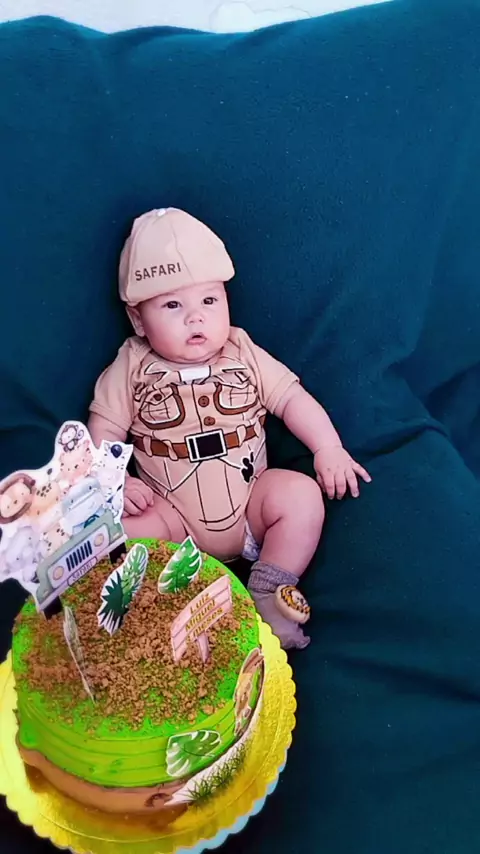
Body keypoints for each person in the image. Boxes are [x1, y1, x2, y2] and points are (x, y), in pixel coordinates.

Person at [88, 208, 371, 649]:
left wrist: (328, 448)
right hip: (173, 519)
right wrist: (114, 483)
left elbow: (292, 399)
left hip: (250, 508)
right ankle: (167, 613)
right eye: (172, 305)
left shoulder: (242, 351)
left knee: (300, 494)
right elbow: (103, 429)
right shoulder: (131, 367)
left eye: (209, 301)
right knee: (116, 534)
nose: (195, 318)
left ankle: (268, 590)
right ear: (139, 319)